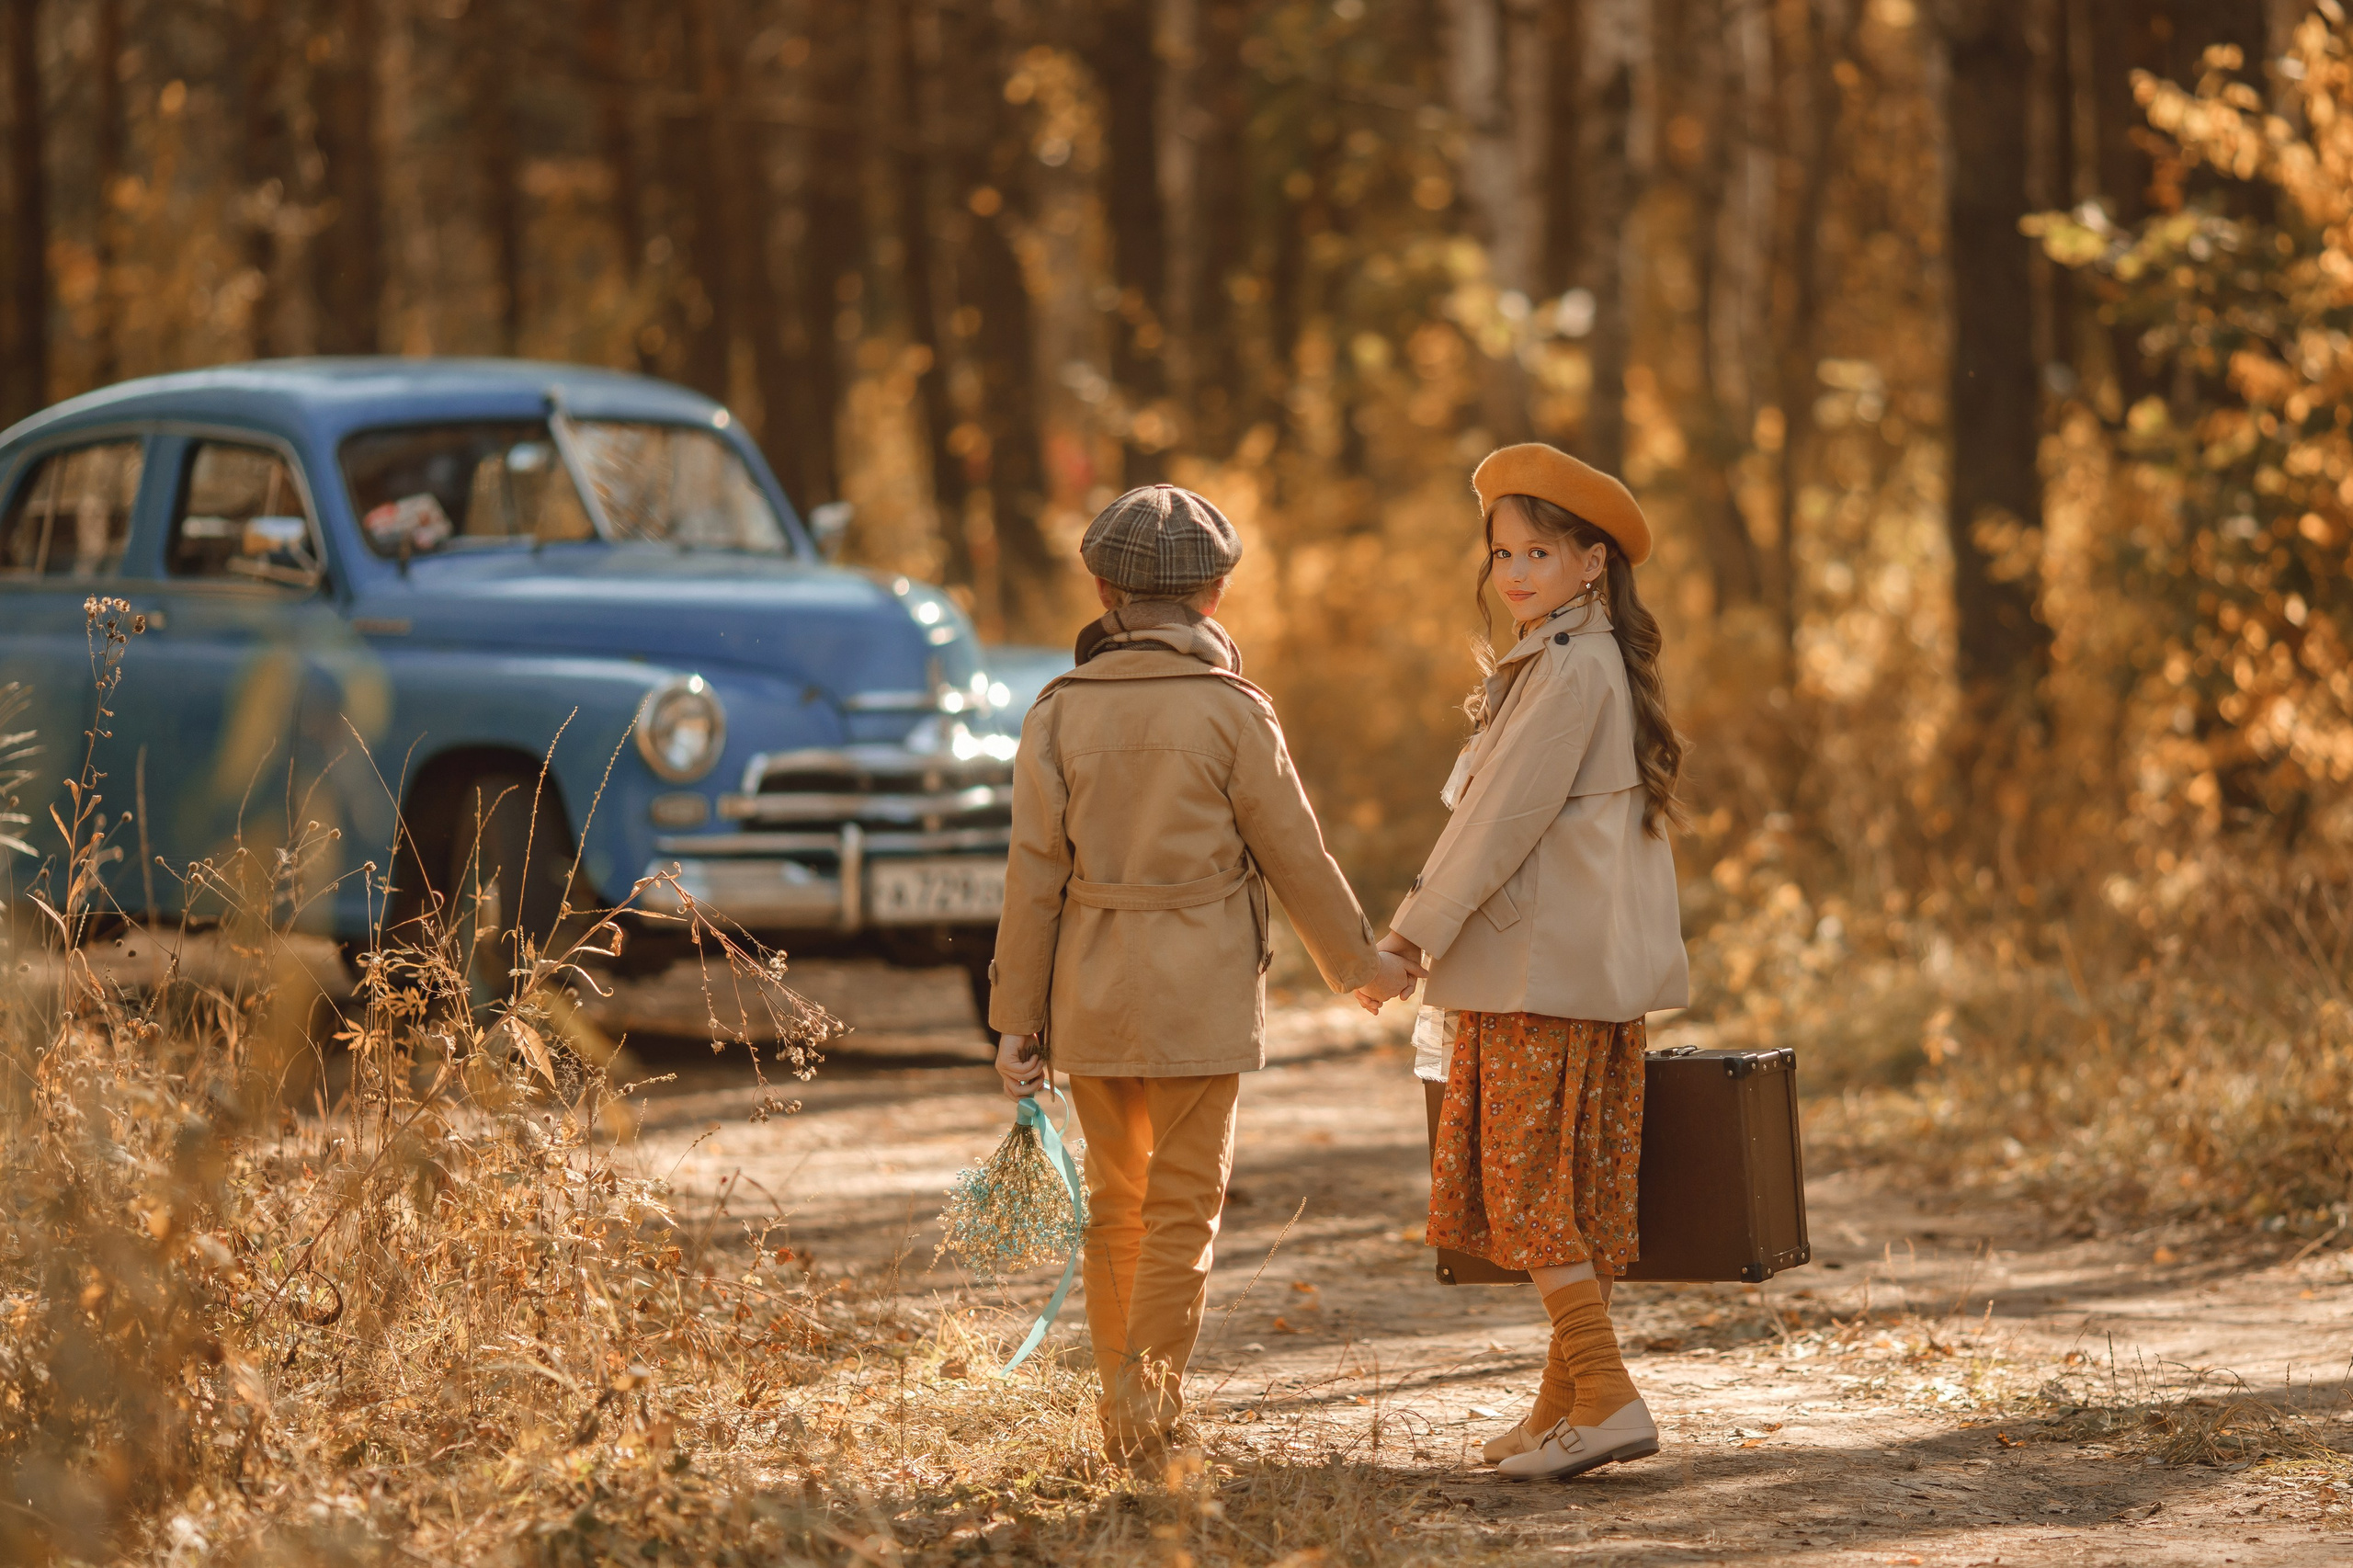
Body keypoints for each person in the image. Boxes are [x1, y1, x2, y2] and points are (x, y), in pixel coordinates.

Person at [989, 483, 1422, 1466]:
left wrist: (1016, 1016)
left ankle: (1122, 1410)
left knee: (1115, 1202)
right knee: (1183, 1203)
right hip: (1202, 996)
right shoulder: (1233, 712)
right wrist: (1360, 967)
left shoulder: (1055, 712)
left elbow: (1032, 874)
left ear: (1102, 592)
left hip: (1091, 993)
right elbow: (1295, 853)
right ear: (1216, 594)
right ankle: (1145, 1412)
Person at [1358, 442, 1688, 1481]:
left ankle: (1609, 1395)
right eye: (1502, 553)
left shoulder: (1569, 668)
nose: (1513, 573)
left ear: (1594, 562)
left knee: (1530, 1185)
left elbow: (1498, 820)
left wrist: (1408, 936)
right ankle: (1566, 1405)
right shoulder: (1577, 658)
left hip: (1537, 976)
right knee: (1569, 1190)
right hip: (1577, 973)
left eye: (1538, 553)